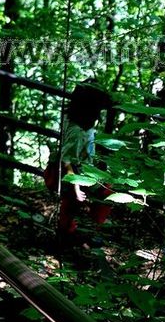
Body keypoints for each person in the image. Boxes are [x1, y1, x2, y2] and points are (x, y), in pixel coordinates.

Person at [44, 80, 114, 246]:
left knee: (71, 206)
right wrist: (76, 186)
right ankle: (86, 228)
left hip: (81, 171)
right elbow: (67, 159)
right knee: (103, 194)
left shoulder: (78, 123)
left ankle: (70, 231)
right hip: (74, 175)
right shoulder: (77, 131)